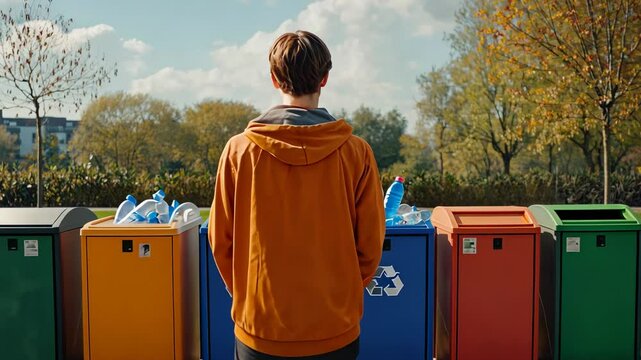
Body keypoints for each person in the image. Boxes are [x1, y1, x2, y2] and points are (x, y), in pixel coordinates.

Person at [210, 30, 385, 360]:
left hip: (260, 329)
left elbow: (222, 241)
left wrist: (248, 295)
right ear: (325, 79)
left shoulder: (239, 151)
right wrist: (341, 295)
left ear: (275, 78)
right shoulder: (356, 153)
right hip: (334, 328)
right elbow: (371, 244)